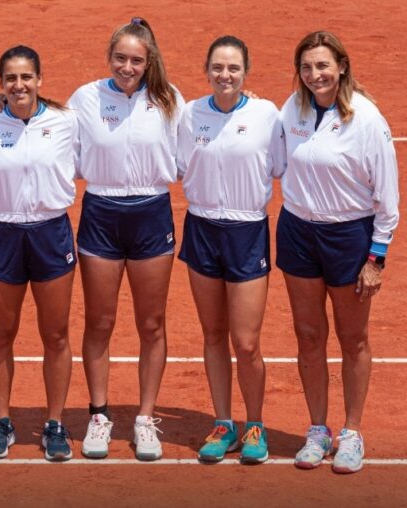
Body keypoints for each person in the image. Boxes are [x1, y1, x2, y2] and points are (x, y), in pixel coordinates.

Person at [279, 31, 399, 474]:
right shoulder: (292, 108)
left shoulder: (366, 119)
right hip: (296, 232)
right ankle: (317, 429)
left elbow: (387, 197)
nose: (315, 75)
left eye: (323, 66)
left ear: (342, 66)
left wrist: (376, 257)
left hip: (348, 236)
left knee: (353, 338)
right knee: (309, 334)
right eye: (307, 67)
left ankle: (351, 431)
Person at [68, 17, 184, 460]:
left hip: (152, 214)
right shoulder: (85, 98)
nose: (127, 66)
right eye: (120, 58)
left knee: (151, 324)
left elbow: (186, 159)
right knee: (99, 322)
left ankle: (144, 419)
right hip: (101, 212)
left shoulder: (170, 100)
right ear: (109, 58)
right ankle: (99, 414)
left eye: (136, 59)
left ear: (149, 60)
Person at [176, 36, 285, 464]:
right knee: (213, 335)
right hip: (201, 228)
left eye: (234, 69)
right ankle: (224, 422)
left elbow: (278, 166)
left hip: (247, 232)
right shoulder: (190, 114)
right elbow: (182, 163)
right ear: (207, 70)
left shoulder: (266, 115)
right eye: (218, 68)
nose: (226, 76)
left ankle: (254, 423)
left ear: (246, 72)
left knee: (246, 341)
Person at [0, 45, 79, 461]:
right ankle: (1, 421)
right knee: (0, 333)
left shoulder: (67, 122)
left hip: (51, 232)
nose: (19, 85)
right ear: (1, 84)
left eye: (26, 77)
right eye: (11, 78)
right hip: (4, 232)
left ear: (39, 80)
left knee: (56, 334)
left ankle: (54, 423)